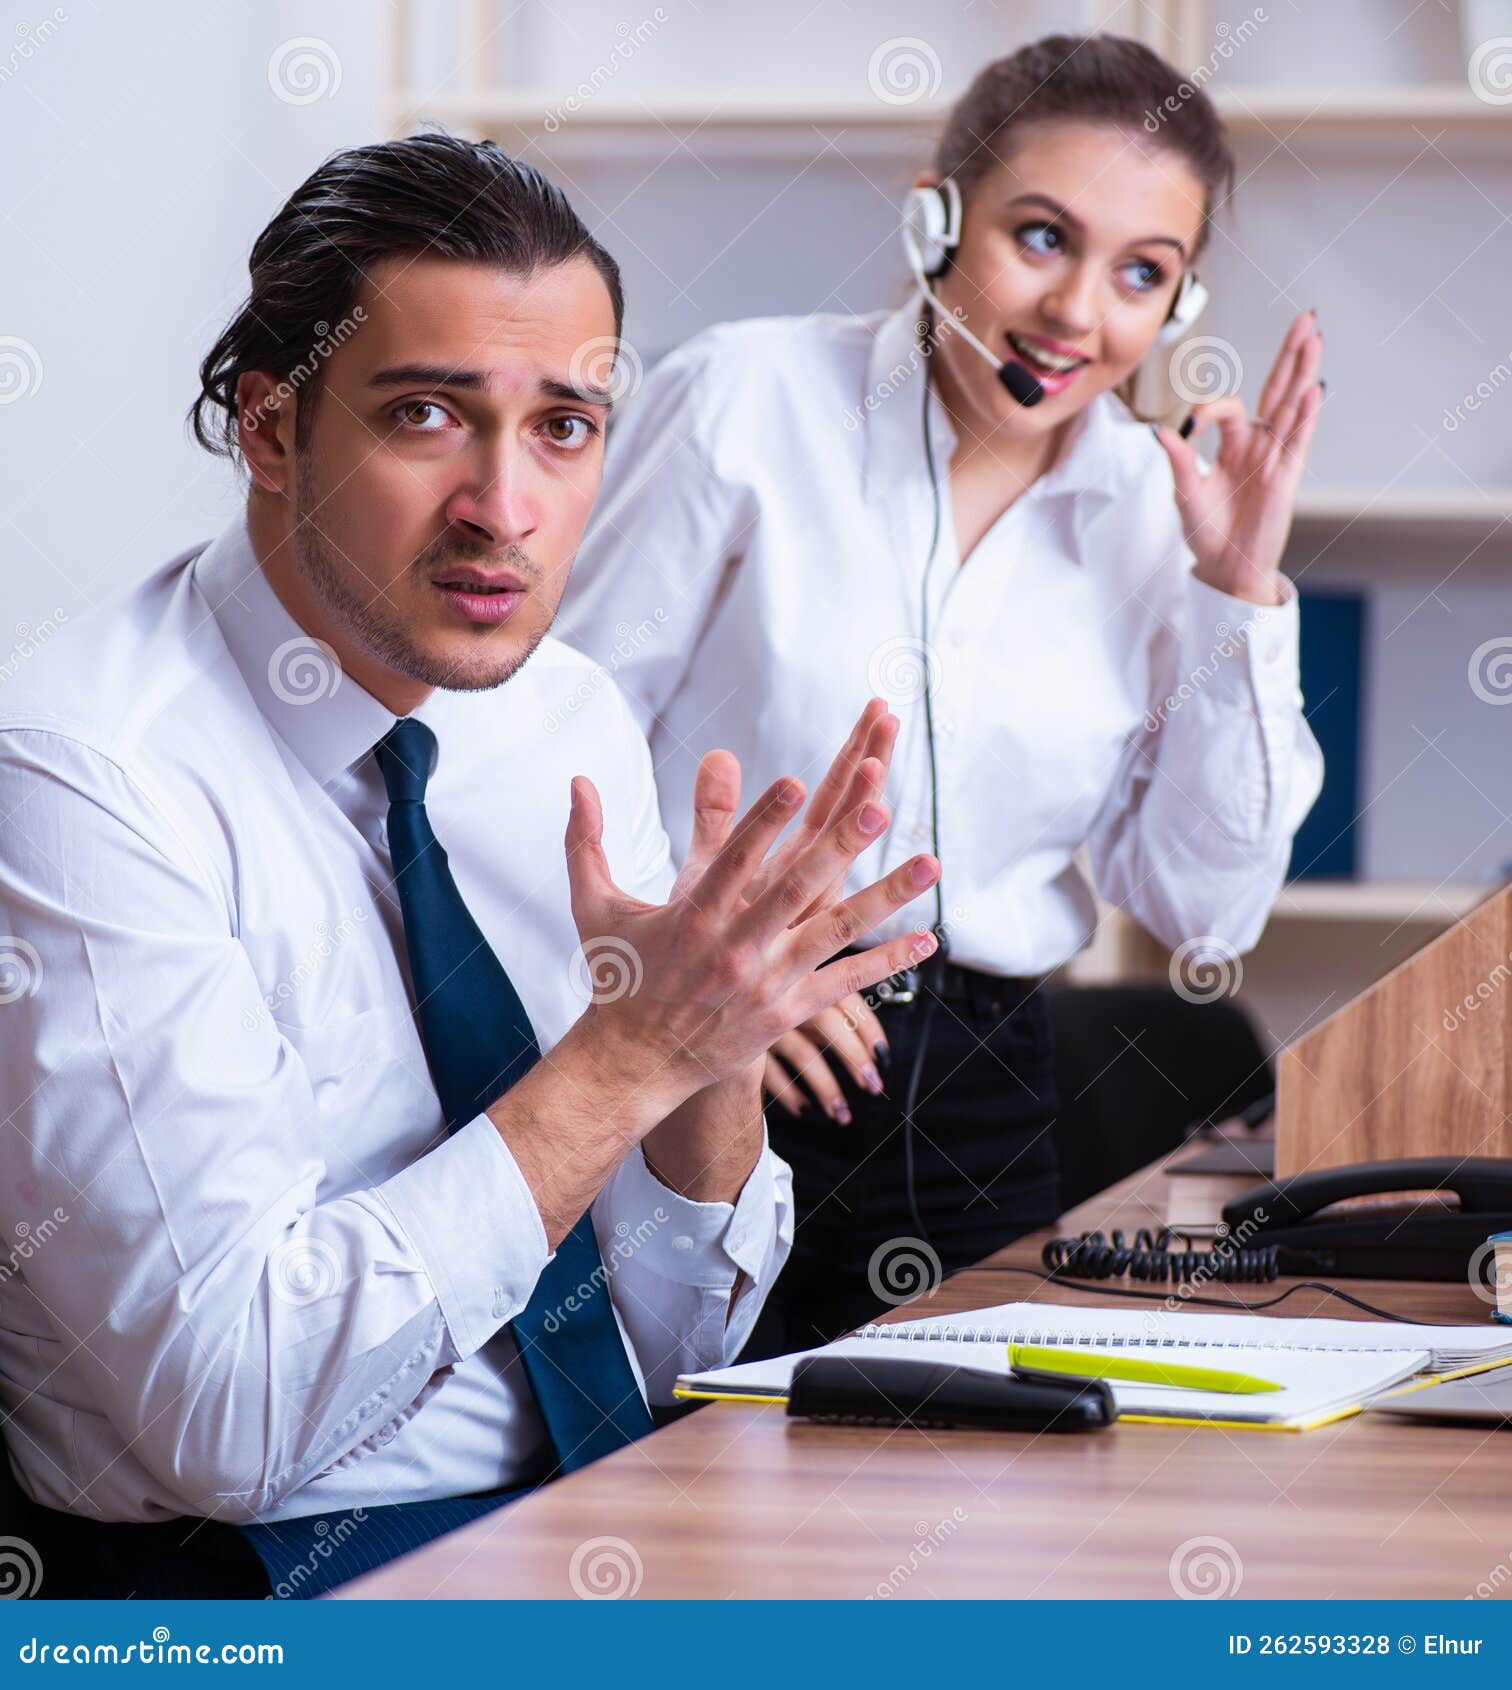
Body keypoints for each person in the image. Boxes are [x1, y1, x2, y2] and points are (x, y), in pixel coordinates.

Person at [0, 135, 941, 1598]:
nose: (504, 507)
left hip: (598, 1509)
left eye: (564, 425)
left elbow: (674, 1344)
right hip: (247, 1581)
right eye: (428, 415)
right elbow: (225, 1416)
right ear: (268, 429)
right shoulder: (83, 779)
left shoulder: (559, 711)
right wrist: (628, 1059)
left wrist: (715, 1052)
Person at [556, 34, 1326, 1353]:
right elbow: (552, 729)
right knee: (693, 1470)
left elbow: (1202, 901)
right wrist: (697, 967)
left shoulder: (1158, 515)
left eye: (1142, 274)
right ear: (938, 218)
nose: (1080, 313)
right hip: (713, 1040)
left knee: (975, 1475)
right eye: (1042, 237)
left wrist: (1239, 588)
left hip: (980, 1087)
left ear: (1178, 307)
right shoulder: (744, 402)